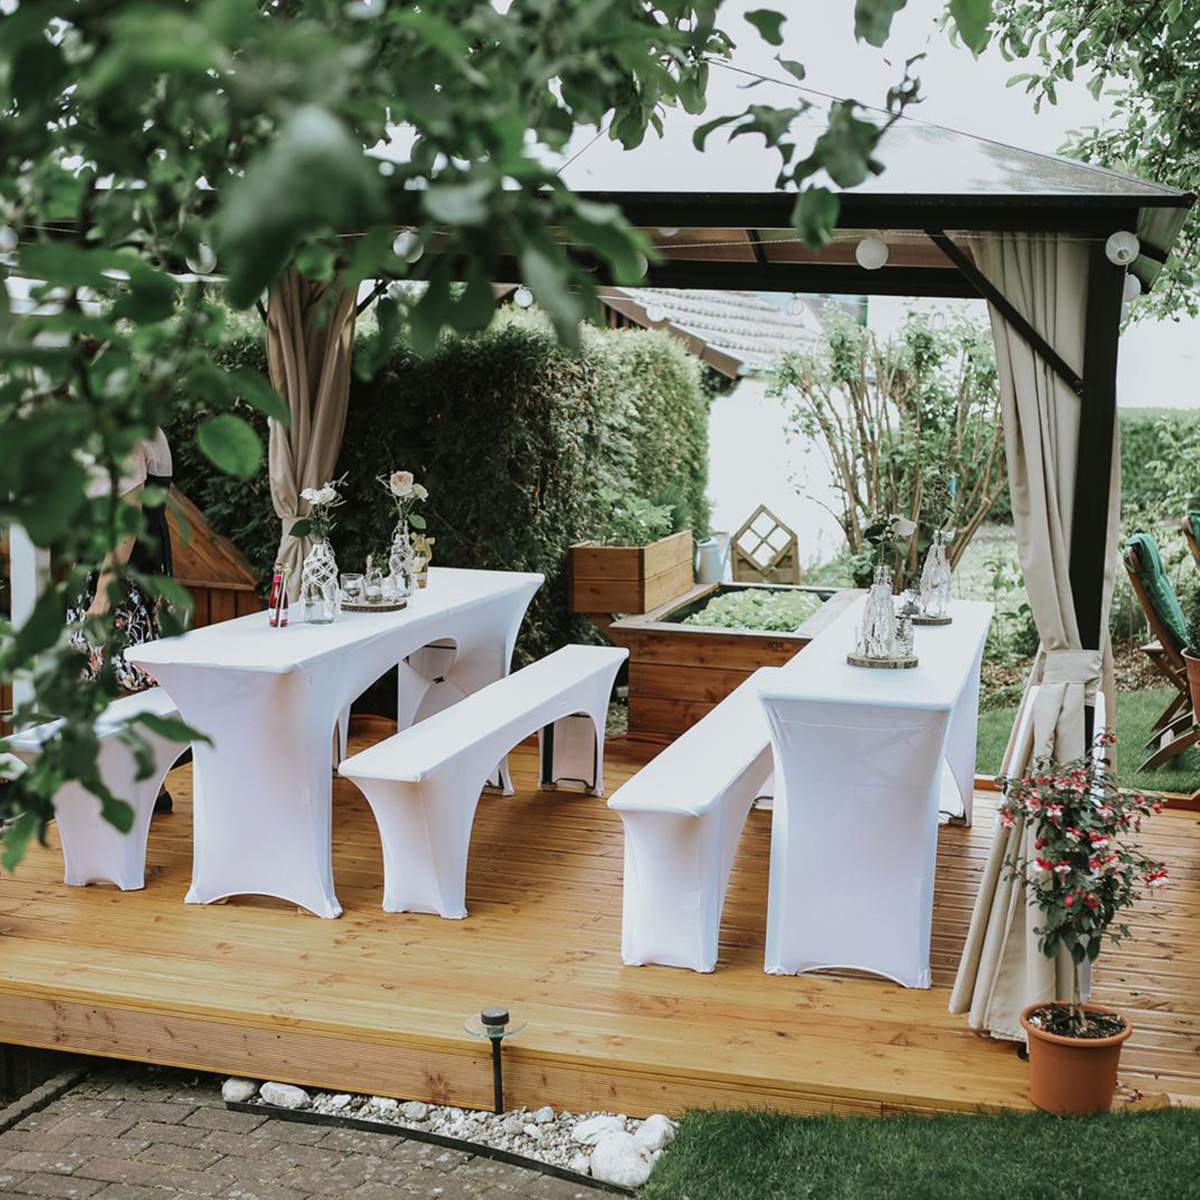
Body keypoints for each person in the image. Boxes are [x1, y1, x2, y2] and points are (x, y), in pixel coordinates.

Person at [67, 427, 176, 810]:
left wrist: (103, 593)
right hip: (130, 570)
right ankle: (147, 788)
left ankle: (134, 788)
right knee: (126, 682)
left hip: (120, 577)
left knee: (125, 681)